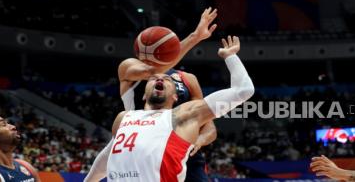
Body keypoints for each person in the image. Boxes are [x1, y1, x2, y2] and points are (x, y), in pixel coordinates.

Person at [85, 36, 254, 181]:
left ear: (175, 96)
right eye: (153, 79)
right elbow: (109, 154)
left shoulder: (183, 115)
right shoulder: (124, 117)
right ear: (143, 94)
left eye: (167, 79)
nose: (160, 78)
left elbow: (243, 91)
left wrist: (230, 56)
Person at [118, 7, 218, 181]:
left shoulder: (187, 79)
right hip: (144, 147)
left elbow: (209, 126)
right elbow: (154, 70)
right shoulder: (129, 67)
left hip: (184, 152)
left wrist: (199, 141)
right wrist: (195, 37)